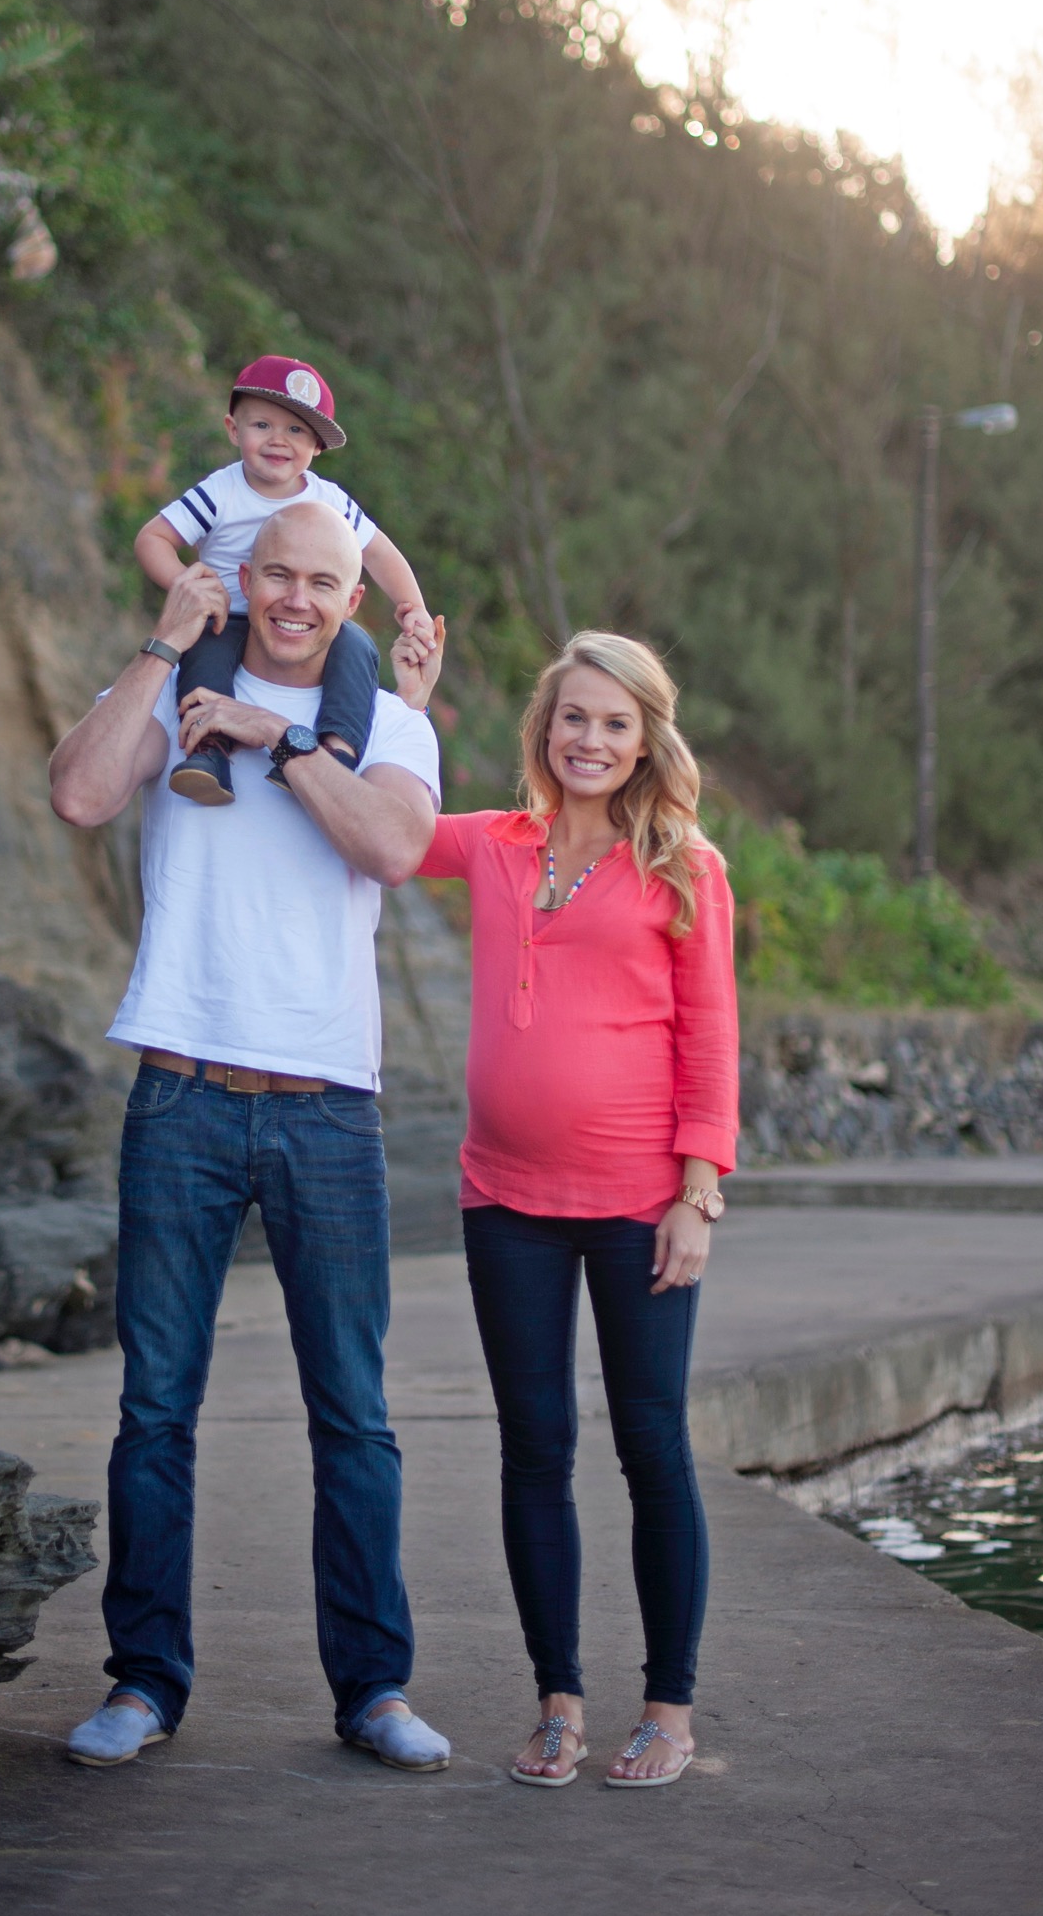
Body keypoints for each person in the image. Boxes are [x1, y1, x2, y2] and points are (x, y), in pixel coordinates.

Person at [47, 499, 452, 1773]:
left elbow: (394, 845)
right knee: (154, 1407)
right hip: (181, 1090)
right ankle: (143, 1682)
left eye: (320, 582)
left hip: (327, 1104)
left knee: (355, 1414)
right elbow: (79, 792)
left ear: (349, 598)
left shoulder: (389, 725)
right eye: (274, 573)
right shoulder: (176, 683)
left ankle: (373, 1689)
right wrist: (165, 646)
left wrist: (281, 741)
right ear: (240, 572)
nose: (294, 599)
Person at [416, 631, 737, 1789]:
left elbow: (710, 1038)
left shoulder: (683, 865)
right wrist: (399, 706)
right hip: (502, 1198)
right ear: (543, 728)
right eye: (572, 717)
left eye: (614, 722)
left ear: (645, 740)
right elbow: (386, 828)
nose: (589, 740)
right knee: (533, 1447)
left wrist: (696, 1191)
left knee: (651, 1446)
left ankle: (668, 1711)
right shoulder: (494, 843)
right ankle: (557, 1702)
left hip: (638, 1201)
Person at [133, 353, 434, 804]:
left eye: (296, 430)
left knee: (356, 647)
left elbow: (378, 552)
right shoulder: (222, 491)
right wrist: (191, 586)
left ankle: (336, 752)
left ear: (317, 446)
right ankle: (209, 752)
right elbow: (153, 538)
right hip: (226, 616)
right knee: (204, 657)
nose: (278, 440)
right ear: (234, 429)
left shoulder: (330, 500)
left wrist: (413, 608)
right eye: (262, 425)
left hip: (303, 621)